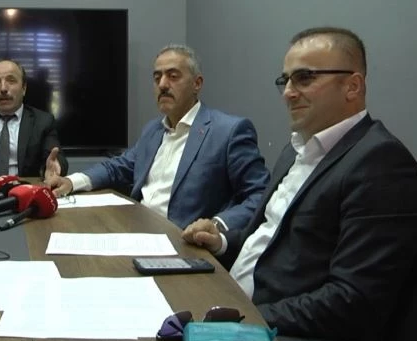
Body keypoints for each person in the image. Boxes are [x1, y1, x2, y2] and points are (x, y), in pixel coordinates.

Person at [182, 27, 417, 341]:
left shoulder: (381, 163)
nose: (288, 92)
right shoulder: (296, 150)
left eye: (304, 78)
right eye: (285, 80)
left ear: (353, 86)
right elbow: (274, 241)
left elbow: (352, 303)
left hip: (277, 339)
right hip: (233, 305)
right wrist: (222, 242)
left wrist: (243, 317)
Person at [46, 44, 269, 230]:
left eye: (173, 76)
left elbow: (259, 194)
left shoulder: (228, 131)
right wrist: (71, 181)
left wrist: (217, 225)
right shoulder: (153, 130)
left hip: (184, 242)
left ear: (197, 84)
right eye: (157, 77)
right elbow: (119, 166)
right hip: (136, 230)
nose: (162, 84)